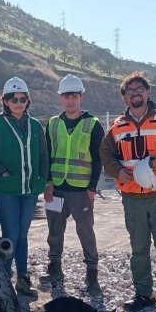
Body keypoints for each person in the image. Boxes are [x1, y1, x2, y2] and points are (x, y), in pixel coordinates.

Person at [99, 71, 156, 312]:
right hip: (132, 196)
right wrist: (117, 171)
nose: (136, 94)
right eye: (130, 91)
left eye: (140, 89)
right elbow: (105, 153)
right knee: (138, 247)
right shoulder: (118, 127)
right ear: (124, 97)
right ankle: (143, 294)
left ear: (148, 93)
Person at [0, 77, 48, 297]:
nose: (18, 102)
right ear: (5, 101)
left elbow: (43, 155)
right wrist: (2, 171)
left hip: (29, 189)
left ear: (27, 101)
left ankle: (22, 277)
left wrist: (43, 180)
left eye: (22, 98)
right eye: (13, 99)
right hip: (7, 190)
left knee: (23, 233)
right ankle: (2, 277)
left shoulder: (36, 125)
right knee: (11, 232)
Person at [42, 74, 105, 296]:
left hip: (81, 191)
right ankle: (55, 268)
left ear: (81, 97)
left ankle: (92, 274)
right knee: (54, 230)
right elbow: (46, 156)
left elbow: (98, 158)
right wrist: (47, 183)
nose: (70, 100)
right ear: (61, 98)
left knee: (86, 231)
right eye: (66, 96)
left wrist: (92, 188)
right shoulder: (52, 124)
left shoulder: (93, 124)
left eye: (74, 96)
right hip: (56, 189)